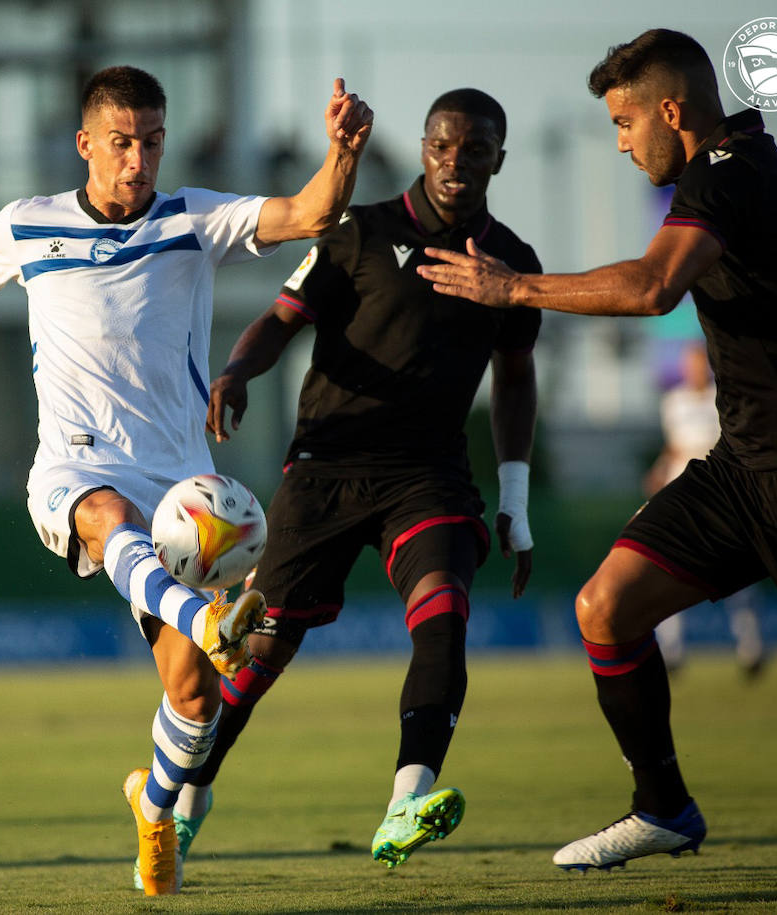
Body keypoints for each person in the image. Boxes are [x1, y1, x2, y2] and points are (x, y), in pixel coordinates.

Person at [0, 66, 373, 895]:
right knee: (111, 522)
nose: (139, 159)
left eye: (151, 141)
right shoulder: (28, 224)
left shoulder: (193, 218)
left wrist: (341, 151)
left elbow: (310, 213)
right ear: (86, 145)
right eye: (122, 143)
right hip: (76, 467)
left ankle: (159, 807)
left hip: (183, 488)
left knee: (196, 695)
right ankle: (207, 622)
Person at [416, 29, 777, 871]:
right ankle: (663, 807)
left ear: (671, 111)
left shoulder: (729, 173)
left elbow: (653, 288)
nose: (618, 143)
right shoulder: (750, 166)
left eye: (623, 122)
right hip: (743, 468)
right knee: (607, 606)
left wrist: (513, 288)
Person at [193, 88, 541, 871]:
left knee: (444, 612)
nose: (456, 163)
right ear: (423, 147)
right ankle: (189, 792)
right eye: (443, 145)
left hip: (429, 475)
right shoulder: (359, 230)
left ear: (498, 159)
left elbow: (515, 378)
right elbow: (281, 318)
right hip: (326, 467)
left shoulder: (513, 262)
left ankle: (406, 800)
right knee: (258, 645)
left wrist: (514, 498)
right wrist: (239, 370)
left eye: (475, 149)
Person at [646, 340, 764, 677]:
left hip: (720, 493)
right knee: (666, 567)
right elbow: (675, 446)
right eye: (689, 364)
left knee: (739, 573)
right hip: (679, 493)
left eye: (699, 363)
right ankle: (672, 652)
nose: (694, 370)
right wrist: (659, 469)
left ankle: (750, 648)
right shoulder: (673, 402)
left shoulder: (723, 399)